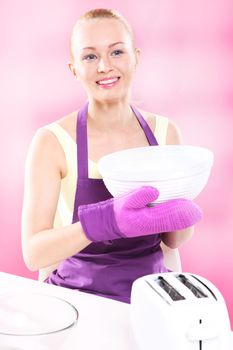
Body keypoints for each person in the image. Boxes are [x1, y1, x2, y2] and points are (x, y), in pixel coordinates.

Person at [21, 8, 202, 303]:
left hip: (151, 299)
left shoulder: (165, 134)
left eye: (117, 52)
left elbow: (172, 241)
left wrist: (182, 216)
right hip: (76, 300)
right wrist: (106, 221)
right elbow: (34, 252)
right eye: (90, 56)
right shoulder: (52, 141)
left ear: (136, 57)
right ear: (74, 68)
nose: (105, 66)